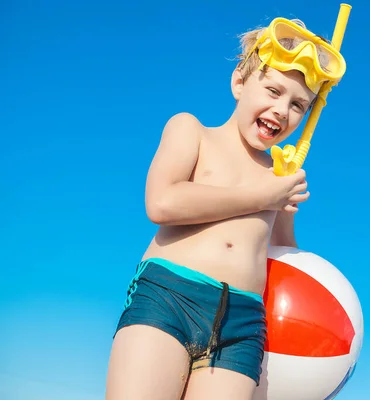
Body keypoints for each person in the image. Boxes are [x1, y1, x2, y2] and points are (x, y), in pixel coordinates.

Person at [105, 16, 346, 400]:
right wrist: (264, 197)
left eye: (298, 105)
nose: (281, 110)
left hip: (242, 323)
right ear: (239, 82)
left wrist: (285, 209)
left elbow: (279, 257)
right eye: (272, 90)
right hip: (170, 295)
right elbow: (162, 203)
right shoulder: (191, 131)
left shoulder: (279, 177)